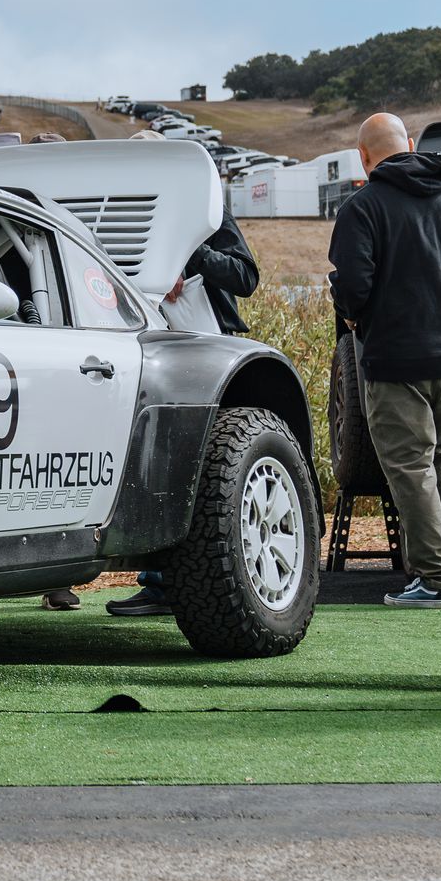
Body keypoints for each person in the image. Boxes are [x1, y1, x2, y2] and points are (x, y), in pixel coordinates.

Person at [328, 112, 441, 608]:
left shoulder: (363, 207)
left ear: (363, 156)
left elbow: (351, 284)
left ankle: (434, 578)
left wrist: (356, 317)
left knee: (410, 464)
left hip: (394, 358)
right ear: (413, 144)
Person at [107, 217, 264, 618]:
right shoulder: (133, 216)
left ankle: (191, 584)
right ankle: (160, 584)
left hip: (212, 351)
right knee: (156, 461)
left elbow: (245, 277)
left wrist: (190, 256)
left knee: (206, 467)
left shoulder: (208, 212)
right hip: (150, 349)